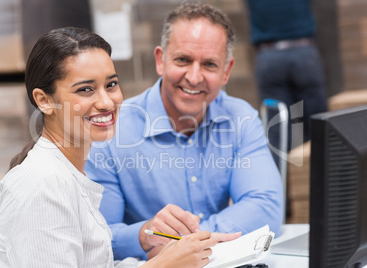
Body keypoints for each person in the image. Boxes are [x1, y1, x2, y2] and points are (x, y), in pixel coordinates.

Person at [0, 26, 235, 267]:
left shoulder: (70, 174)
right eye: (86, 89)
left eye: (111, 85)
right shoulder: (43, 187)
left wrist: (166, 255)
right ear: (44, 101)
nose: (106, 102)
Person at [85, 2, 283, 261]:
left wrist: (187, 243)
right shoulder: (111, 131)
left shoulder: (241, 117)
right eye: (183, 60)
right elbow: (98, 239)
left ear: (226, 72)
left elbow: (266, 207)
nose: (194, 76)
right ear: (160, 60)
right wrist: (144, 234)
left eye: (210, 64)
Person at [246, 0, 328, 153]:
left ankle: (280, 175)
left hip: (269, 56)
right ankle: (327, 173)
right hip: (303, 54)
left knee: (277, 128)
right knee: (318, 124)